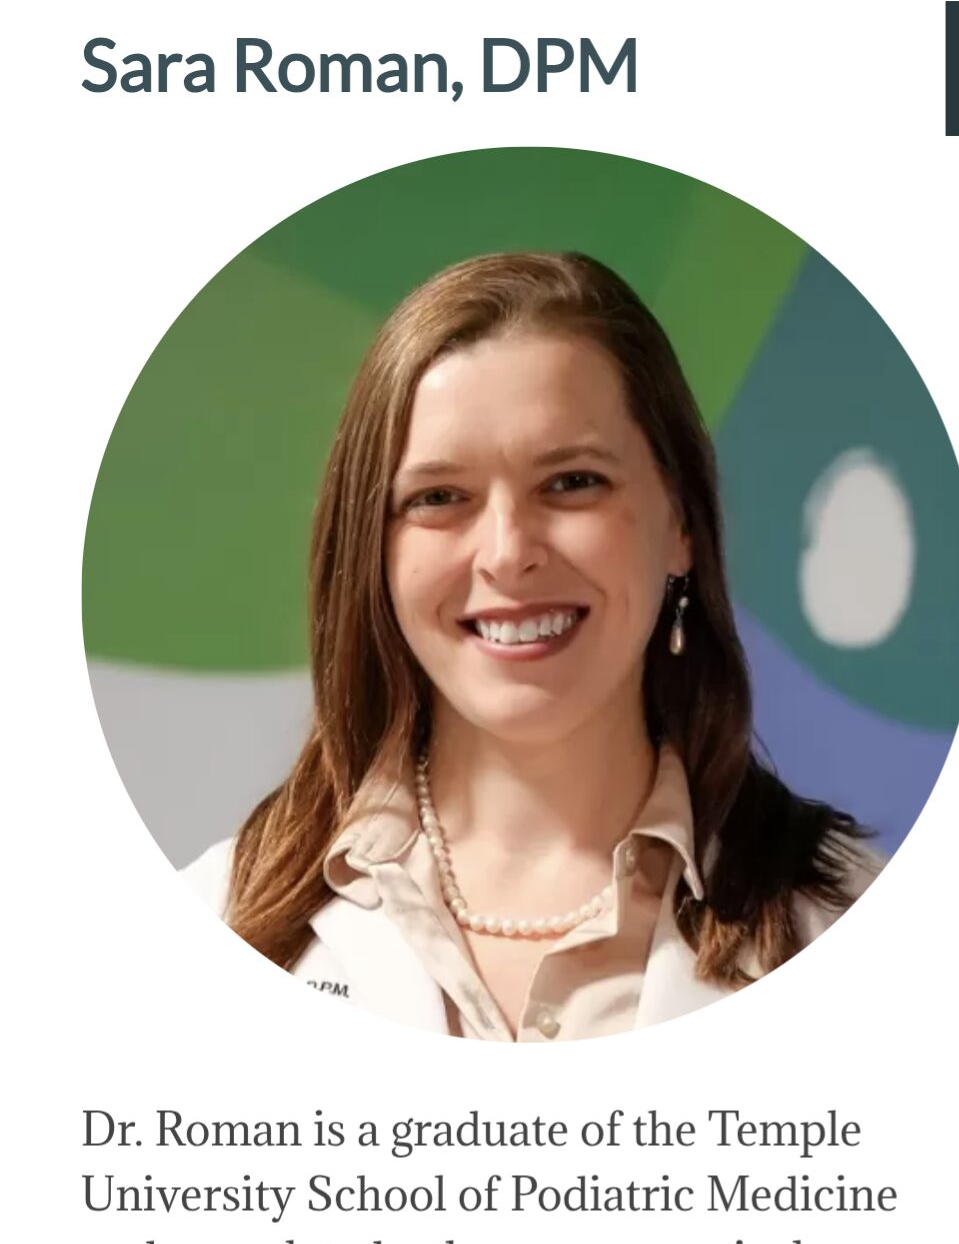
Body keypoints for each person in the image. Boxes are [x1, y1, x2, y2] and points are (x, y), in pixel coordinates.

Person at [183, 250, 882, 1041]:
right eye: (439, 497)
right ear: (373, 552)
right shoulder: (206, 924)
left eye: (572, 481)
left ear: (680, 523)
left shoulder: (861, 923)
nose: (507, 552)